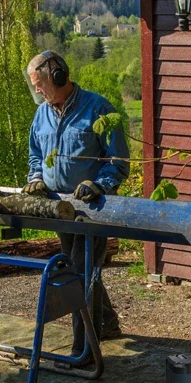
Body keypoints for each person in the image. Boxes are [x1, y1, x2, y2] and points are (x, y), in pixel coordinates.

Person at [24, 50, 130, 362]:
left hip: (93, 209)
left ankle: (83, 349)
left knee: (80, 274)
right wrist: (36, 178)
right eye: (35, 86)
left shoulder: (98, 109)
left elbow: (118, 161)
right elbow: (34, 154)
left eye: (40, 84)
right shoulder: (41, 115)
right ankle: (107, 322)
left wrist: (100, 183)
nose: (38, 91)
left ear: (58, 76)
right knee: (81, 268)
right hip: (60, 211)